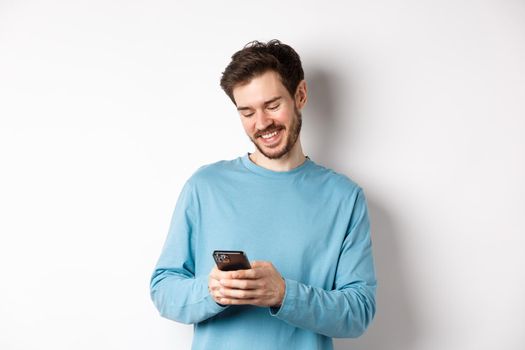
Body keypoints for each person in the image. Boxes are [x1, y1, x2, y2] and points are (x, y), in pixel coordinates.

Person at [150, 39, 377, 350]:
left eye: (272, 105)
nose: (262, 123)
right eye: (247, 112)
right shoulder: (205, 186)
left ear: (300, 95)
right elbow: (163, 289)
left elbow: (359, 312)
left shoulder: (344, 198)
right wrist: (212, 290)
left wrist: (284, 294)